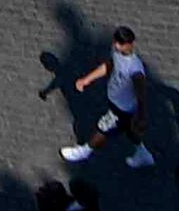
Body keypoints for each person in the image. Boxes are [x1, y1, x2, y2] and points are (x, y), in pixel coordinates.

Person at [60, 28, 151, 167]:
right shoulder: (116, 52)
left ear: (129, 44)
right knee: (128, 128)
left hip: (123, 109)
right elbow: (109, 65)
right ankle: (143, 153)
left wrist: (141, 116)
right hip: (115, 101)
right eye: (115, 42)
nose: (116, 46)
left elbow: (141, 95)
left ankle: (84, 151)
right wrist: (87, 79)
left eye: (120, 43)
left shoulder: (135, 69)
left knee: (104, 128)